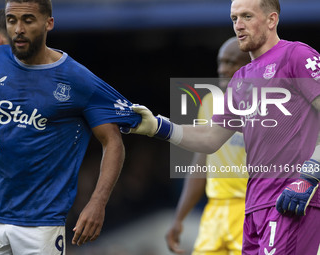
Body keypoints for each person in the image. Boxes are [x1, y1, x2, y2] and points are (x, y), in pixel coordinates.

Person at [128, 0, 320, 254]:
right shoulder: (241, 79)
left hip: (291, 200)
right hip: (254, 209)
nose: (238, 26)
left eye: (247, 17)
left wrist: (310, 175)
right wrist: (159, 127)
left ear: (272, 20)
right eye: (234, 18)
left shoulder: (296, 55)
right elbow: (210, 138)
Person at [0, 0, 140, 254]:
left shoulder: (77, 79)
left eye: (28, 20)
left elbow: (113, 142)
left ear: (49, 23)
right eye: (12, 21)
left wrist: (98, 202)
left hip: (41, 224)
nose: (18, 29)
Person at [165, 37, 250, 255]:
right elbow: (200, 163)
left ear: (250, 66)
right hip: (214, 213)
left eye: (231, 62)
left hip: (250, 210)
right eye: (220, 62)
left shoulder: (268, 106)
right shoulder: (210, 103)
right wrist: (179, 217)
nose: (223, 69)